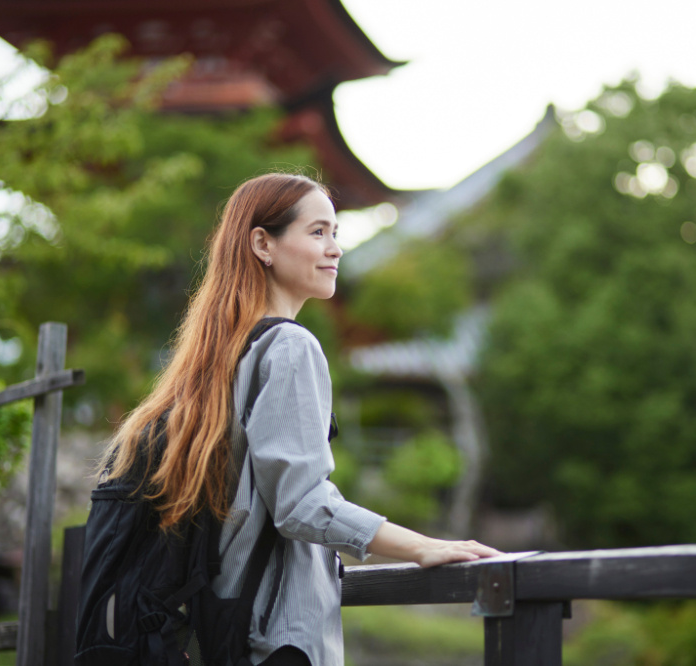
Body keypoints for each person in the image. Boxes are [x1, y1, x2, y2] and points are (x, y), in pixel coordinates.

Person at [102, 173, 501, 665]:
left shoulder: (219, 358)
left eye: (336, 233)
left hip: (229, 630)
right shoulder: (290, 346)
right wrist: (421, 546)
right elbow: (301, 503)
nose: (335, 249)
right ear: (263, 244)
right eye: (317, 233)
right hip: (280, 639)